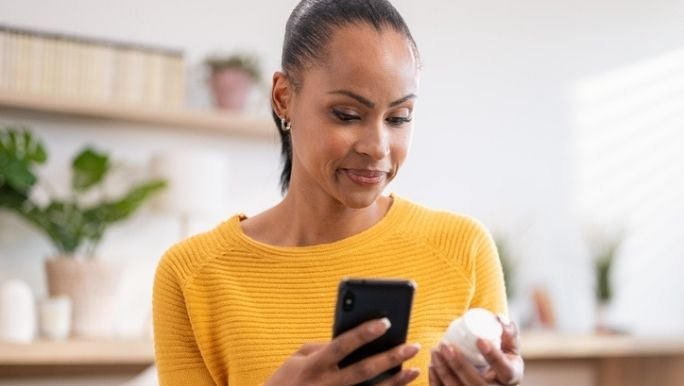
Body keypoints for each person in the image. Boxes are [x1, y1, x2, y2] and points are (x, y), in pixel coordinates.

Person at [152, 0, 524, 385]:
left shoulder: (463, 249)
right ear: (283, 97)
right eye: (347, 115)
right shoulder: (192, 275)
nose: (377, 147)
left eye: (399, 118)